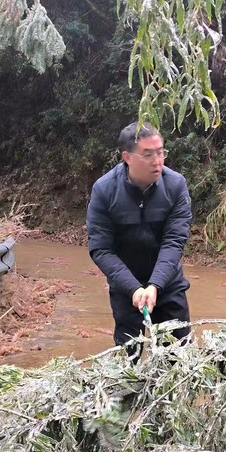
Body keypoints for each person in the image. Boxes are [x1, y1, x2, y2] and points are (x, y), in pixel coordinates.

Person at [87, 122, 193, 357]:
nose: (157, 160)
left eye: (161, 152)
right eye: (148, 154)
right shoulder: (105, 190)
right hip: (126, 286)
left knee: (177, 358)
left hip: (167, 282)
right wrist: (134, 288)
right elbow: (101, 249)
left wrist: (155, 285)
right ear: (128, 157)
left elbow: (174, 241)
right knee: (128, 359)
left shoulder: (175, 185)